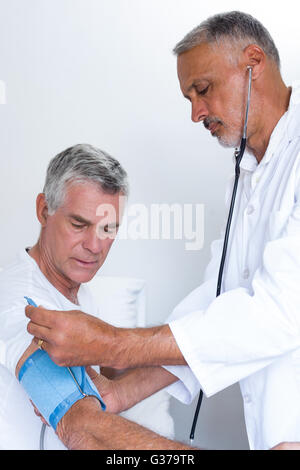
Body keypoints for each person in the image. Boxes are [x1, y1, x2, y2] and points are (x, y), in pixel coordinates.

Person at [25, 11, 300, 450]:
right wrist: (122, 389)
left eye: (203, 90)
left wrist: (114, 346)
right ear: (43, 210)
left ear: (254, 63)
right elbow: (222, 301)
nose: (195, 113)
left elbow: (282, 312)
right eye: (188, 97)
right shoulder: (250, 171)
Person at [0, 143, 193, 450]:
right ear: (43, 210)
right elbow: (83, 428)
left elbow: (106, 388)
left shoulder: (80, 294)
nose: (95, 245)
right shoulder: (20, 305)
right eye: (79, 225)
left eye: (108, 228)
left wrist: (198, 350)